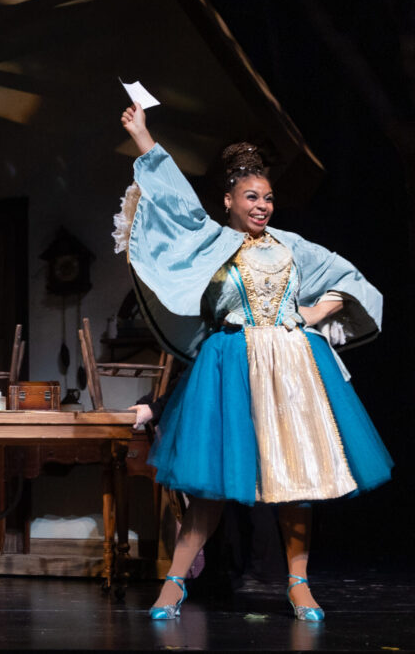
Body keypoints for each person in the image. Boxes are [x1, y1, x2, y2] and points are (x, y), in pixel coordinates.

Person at [115, 102, 392, 621]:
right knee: (212, 485)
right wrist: (143, 137)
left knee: (299, 480)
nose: (262, 205)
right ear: (228, 201)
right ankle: (174, 582)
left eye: (267, 197)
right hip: (232, 366)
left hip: (292, 370)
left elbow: (350, 279)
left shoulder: (291, 246)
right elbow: (174, 204)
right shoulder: (212, 243)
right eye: (251, 197)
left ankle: (299, 583)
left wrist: (313, 312)